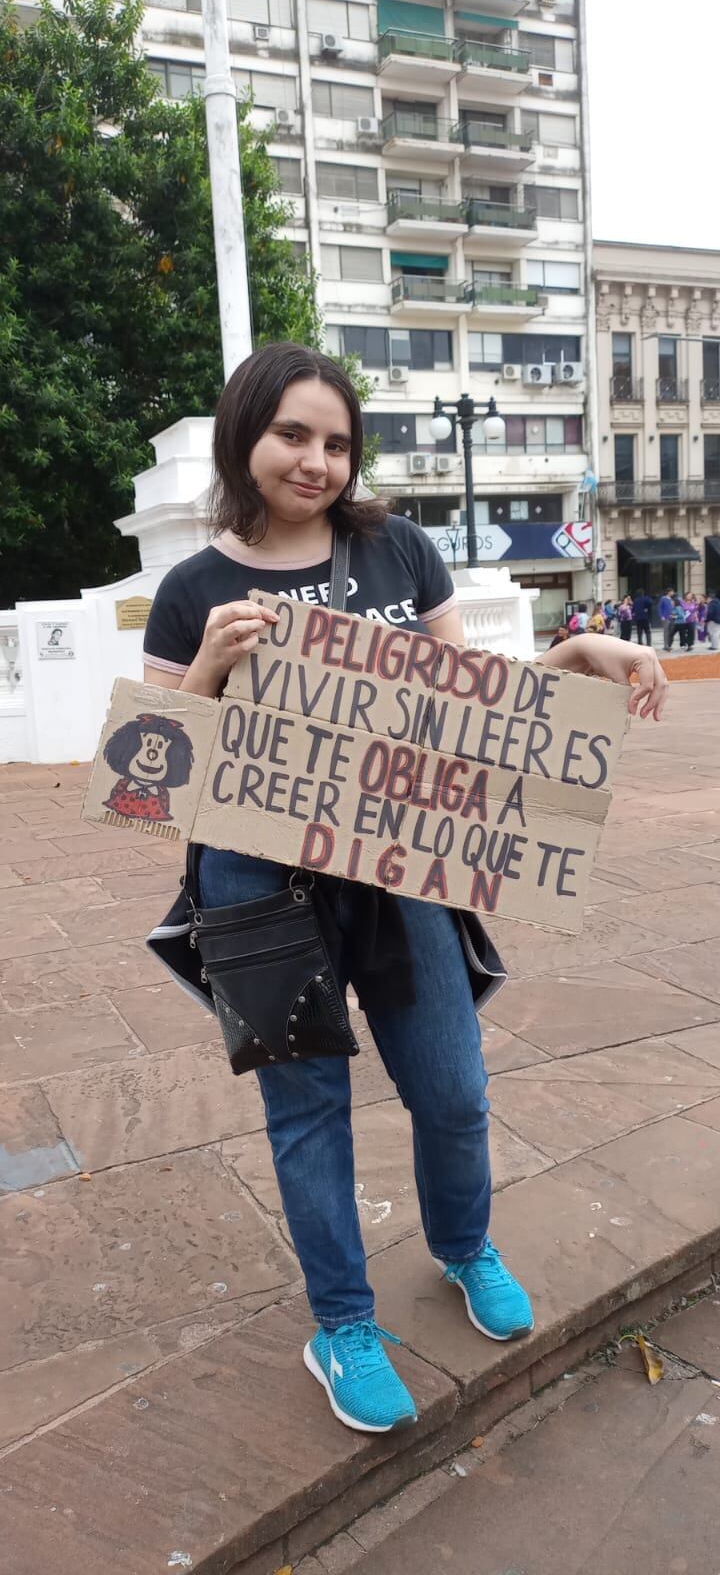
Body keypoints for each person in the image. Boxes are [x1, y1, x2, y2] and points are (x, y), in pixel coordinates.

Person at [142, 342, 668, 1437]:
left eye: (336, 441)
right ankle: (342, 1321)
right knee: (307, 1111)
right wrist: (205, 675)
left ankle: (465, 1244)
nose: (316, 460)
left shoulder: (399, 552)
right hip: (257, 884)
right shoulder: (193, 588)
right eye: (293, 433)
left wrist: (577, 656)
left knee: (455, 1088)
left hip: (400, 867)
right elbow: (154, 785)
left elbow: (469, 708)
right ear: (248, 432)